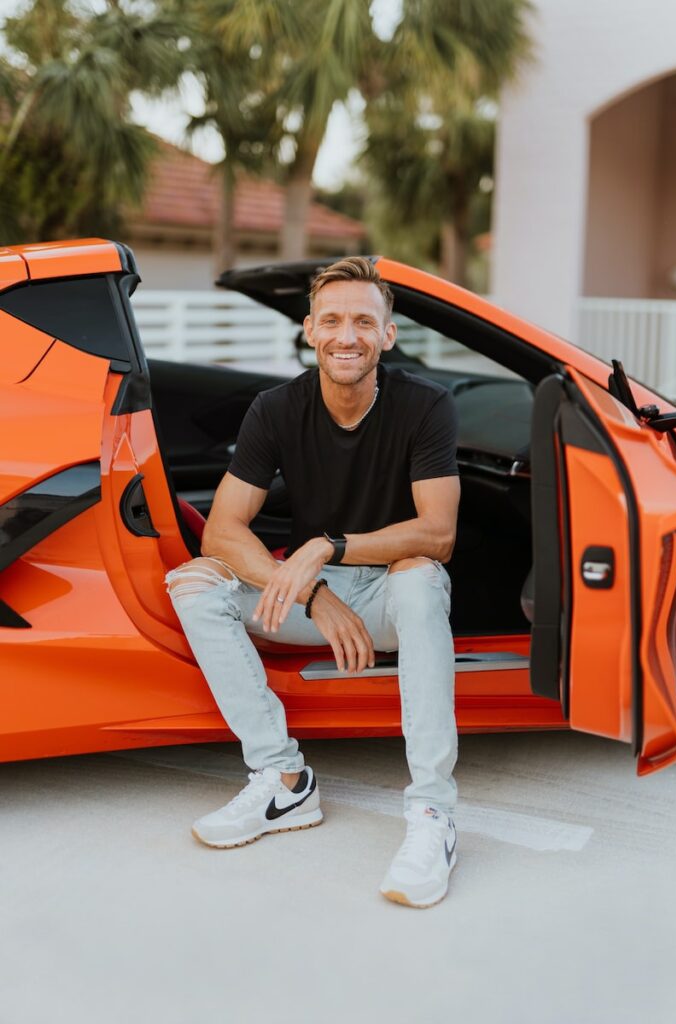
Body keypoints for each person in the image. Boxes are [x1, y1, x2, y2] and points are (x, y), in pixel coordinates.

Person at [165, 256, 461, 909]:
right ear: (308, 330)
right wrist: (311, 589)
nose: (345, 335)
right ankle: (282, 777)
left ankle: (433, 815)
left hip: (387, 597)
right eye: (331, 320)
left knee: (420, 579)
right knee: (193, 581)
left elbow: (437, 533)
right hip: (310, 601)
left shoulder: (426, 406)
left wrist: (330, 546)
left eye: (363, 321)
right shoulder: (275, 409)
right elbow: (221, 531)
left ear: (387, 334)